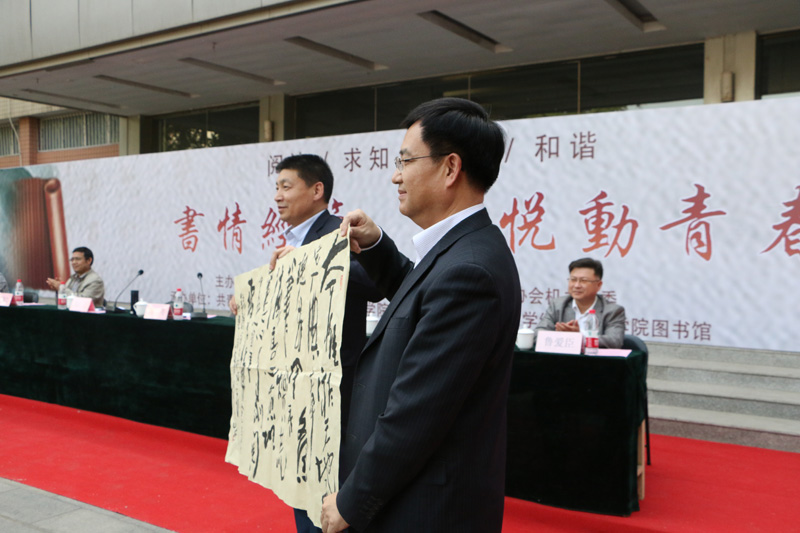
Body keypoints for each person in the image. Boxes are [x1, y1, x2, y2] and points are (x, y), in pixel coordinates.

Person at [321, 97, 521, 533]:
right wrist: (376, 245)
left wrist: (352, 501)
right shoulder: (462, 252)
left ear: (450, 168)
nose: (396, 175)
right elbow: (418, 299)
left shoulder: (469, 271)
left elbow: (416, 414)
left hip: (424, 509)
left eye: (405, 161)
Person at [228, 154, 381, 533]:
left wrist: (311, 262)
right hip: (295, 387)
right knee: (301, 484)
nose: (277, 196)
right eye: (276, 187)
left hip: (331, 390)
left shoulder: (338, 231)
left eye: (286, 186)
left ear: (317, 190)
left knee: (326, 490)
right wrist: (252, 302)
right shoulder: (294, 241)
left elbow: (375, 283)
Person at [533, 257, 626, 348]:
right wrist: (562, 337)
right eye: (573, 280)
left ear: (598, 285)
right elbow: (537, 334)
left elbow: (614, 341)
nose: (577, 285)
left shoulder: (612, 311)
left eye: (584, 281)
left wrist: (579, 338)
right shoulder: (558, 305)